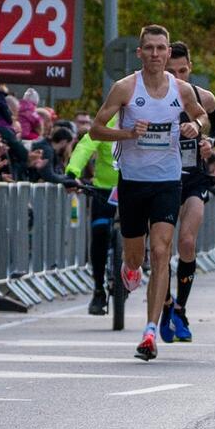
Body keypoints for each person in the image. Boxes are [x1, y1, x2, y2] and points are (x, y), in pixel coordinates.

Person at [89, 24, 208, 362]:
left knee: (160, 251)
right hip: (132, 183)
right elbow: (96, 129)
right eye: (149, 48)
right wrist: (127, 133)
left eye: (161, 48)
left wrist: (194, 126)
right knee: (134, 257)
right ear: (139, 53)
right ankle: (129, 272)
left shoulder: (181, 90)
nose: (156, 54)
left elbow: (202, 117)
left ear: (169, 52)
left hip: (168, 183)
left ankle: (150, 331)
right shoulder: (125, 88)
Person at [160, 41, 215, 342]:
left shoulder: (203, 98)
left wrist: (211, 143)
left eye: (182, 70)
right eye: (171, 71)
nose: (178, 77)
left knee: (187, 242)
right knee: (160, 249)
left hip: (193, 178)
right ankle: (165, 304)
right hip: (159, 178)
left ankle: (180, 310)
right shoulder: (150, 96)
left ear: (190, 68)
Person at [65, 116, 120, 315]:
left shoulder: (146, 119)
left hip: (135, 186)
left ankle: (142, 256)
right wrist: (72, 172)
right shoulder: (107, 121)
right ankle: (98, 290)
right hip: (104, 189)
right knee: (99, 233)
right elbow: (85, 146)